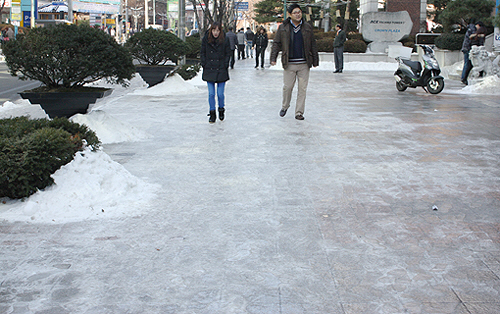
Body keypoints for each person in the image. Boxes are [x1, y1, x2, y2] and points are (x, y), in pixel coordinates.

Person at [270, 3, 319, 120]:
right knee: (288, 87)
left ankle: (299, 112)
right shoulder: (283, 27)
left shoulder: (307, 27)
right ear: (290, 14)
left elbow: (313, 44)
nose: (298, 14)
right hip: (289, 63)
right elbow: (277, 43)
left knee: (302, 89)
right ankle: (285, 106)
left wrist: (315, 60)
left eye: (299, 12)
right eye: (295, 13)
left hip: (304, 63)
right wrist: (273, 58)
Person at [201, 22, 231, 123]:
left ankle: (221, 109)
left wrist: (225, 64)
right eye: (214, 30)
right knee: (211, 94)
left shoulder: (225, 39)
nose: (216, 33)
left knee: (220, 94)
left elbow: (228, 53)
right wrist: (204, 63)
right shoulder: (206, 39)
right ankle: (212, 112)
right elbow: (202, 52)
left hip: (221, 69)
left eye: (218, 30)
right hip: (209, 69)